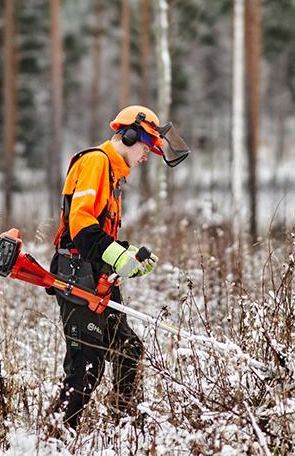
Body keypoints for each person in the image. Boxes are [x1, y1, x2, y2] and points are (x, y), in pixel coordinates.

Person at [48, 104, 190, 431]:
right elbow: (81, 226)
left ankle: (124, 429)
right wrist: (115, 255)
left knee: (127, 349)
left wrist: (129, 256)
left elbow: (99, 234)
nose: (146, 156)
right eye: (146, 147)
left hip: (97, 275)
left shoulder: (113, 173)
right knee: (86, 365)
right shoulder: (96, 161)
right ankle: (55, 437)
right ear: (128, 136)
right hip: (77, 275)